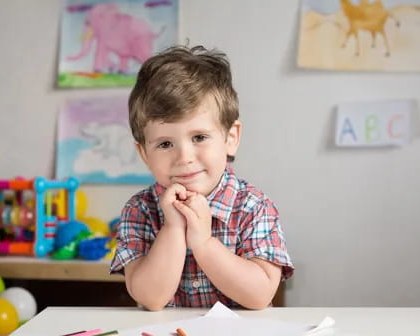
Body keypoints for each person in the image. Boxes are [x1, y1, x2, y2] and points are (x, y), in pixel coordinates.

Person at [110, 45, 294, 310]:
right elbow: (150, 298)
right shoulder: (139, 210)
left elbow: (260, 295)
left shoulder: (253, 207)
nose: (184, 157)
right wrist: (173, 229)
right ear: (144, 153)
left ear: (230, 139)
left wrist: (204, 243)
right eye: (164, 144)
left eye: (199, 137)